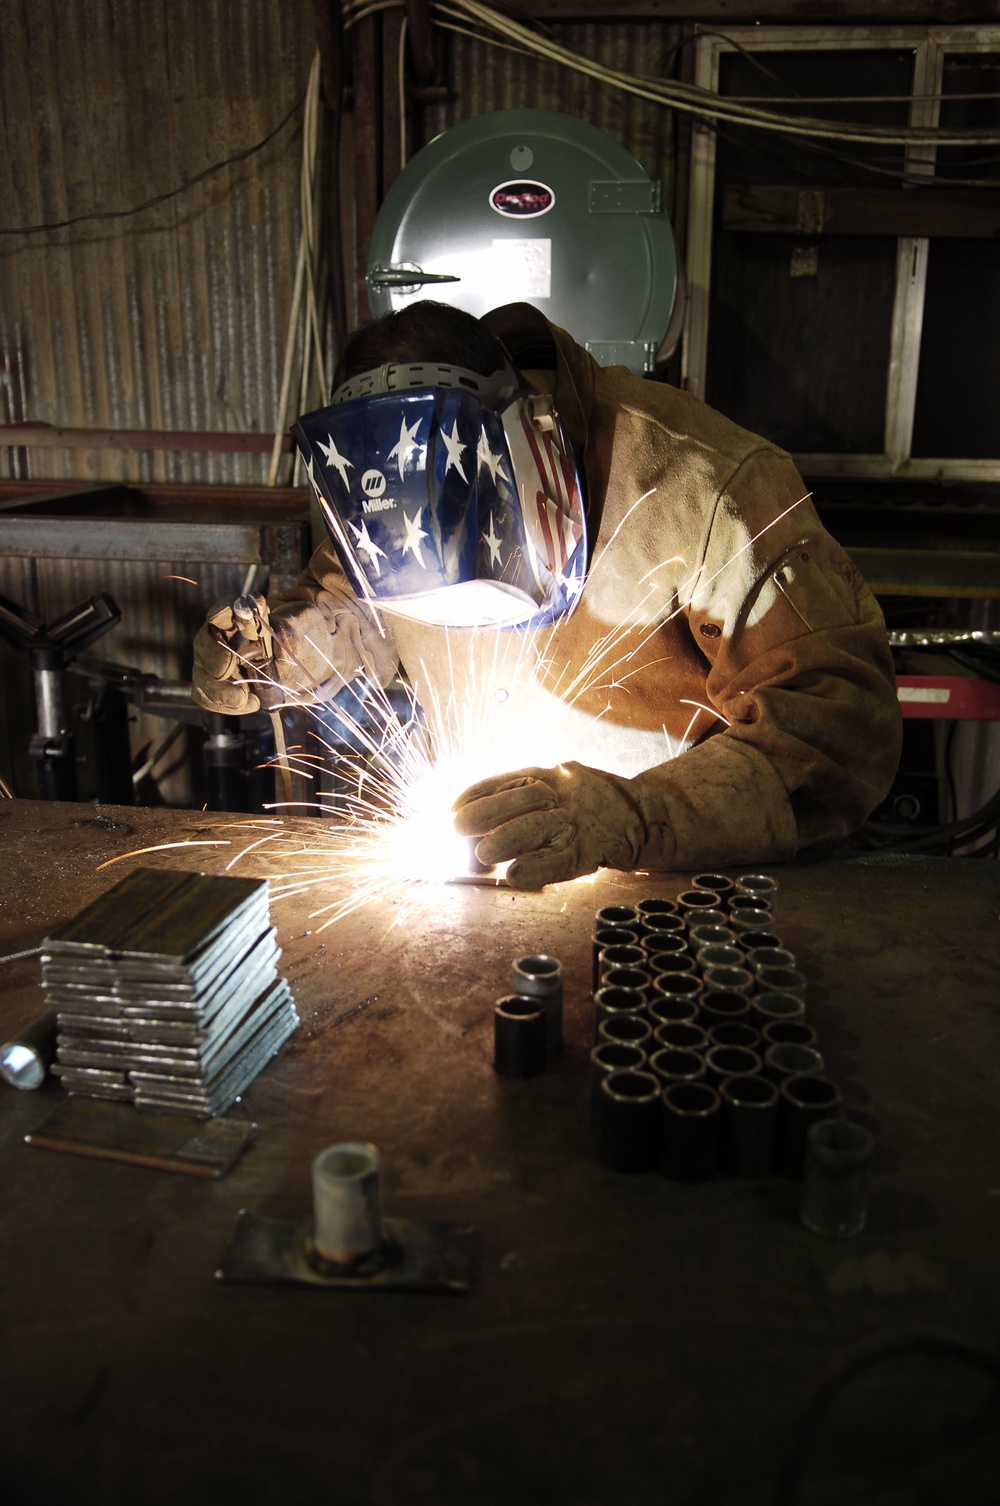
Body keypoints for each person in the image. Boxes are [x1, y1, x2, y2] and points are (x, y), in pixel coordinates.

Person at [193, 300, 902, 889]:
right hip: (501, 877)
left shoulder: (707, 487)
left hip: (689, 884)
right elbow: (352, 612)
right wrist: (276, 652)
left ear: (536, 456)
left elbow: (836, 728)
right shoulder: (387, 504)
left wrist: (635, 818)